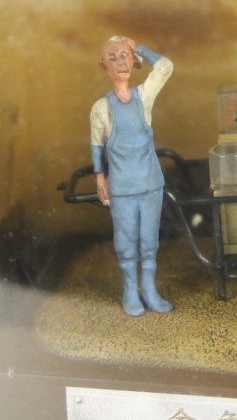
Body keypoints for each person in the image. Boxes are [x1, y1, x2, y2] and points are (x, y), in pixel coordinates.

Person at [89, 36, 174, 316]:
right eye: (112, 57)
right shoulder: (102, 108)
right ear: (104, 66)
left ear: (133, 61)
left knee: (149, 242)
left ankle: (149, 289)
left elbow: (165, 67)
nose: (120, 62)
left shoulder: (144, 96)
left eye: (125, 55)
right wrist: (100, 178)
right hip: (122, 188)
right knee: (126, 243)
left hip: (150, 184)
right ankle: (129, 291)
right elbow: (97, 145)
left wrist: (139, 48)